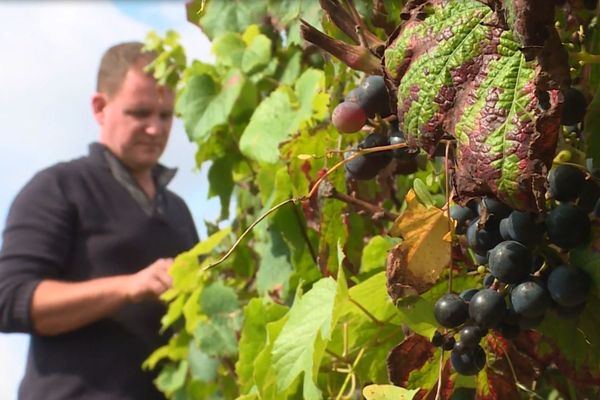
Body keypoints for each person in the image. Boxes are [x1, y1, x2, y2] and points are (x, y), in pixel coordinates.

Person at [0, 42, 199, 399]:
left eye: (166, 115)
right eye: (140, 113)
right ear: (100, 107)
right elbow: (9, 300)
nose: (156, 129)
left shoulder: (178, 210)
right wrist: (128, 287)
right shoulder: (58, 188)